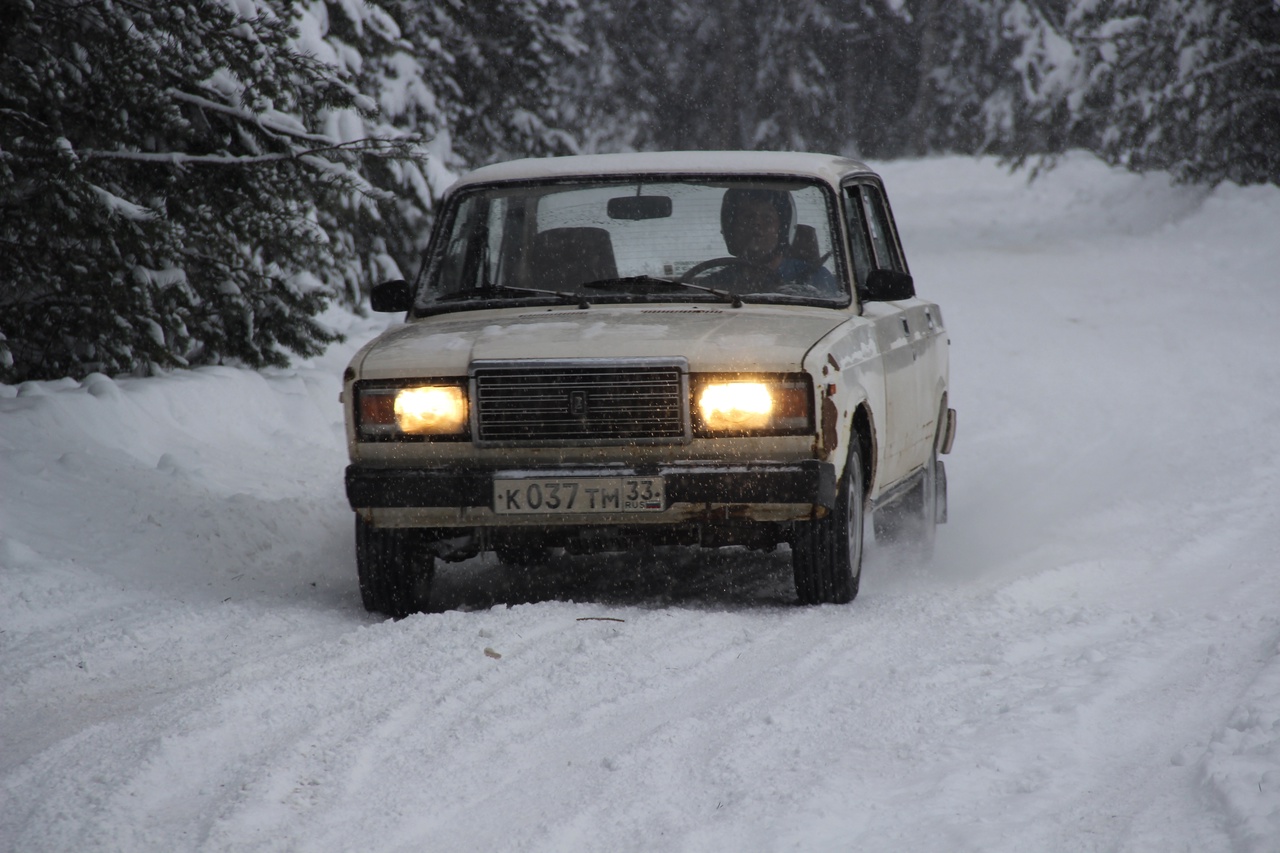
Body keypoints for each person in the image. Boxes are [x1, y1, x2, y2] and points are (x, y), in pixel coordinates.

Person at [713, 188, 839, 294]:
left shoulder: (816, 279)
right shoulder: (715, 284)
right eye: (748, 217)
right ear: (732, 229)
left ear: (782, 229)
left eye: (767, 218)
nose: (757, 224)